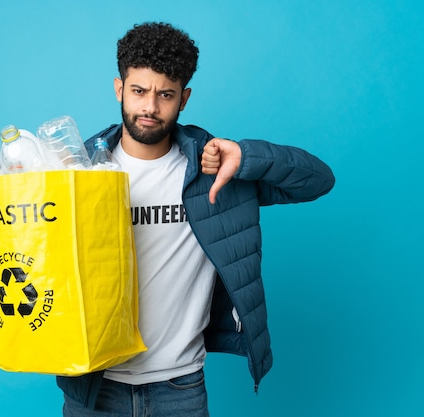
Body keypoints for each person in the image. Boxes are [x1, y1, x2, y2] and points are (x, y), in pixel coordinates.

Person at [57, 22, 335, 416]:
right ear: (119, 89)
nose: (150, 107)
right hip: (95, 386)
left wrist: (246, 156)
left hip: (180, 388)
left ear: (183, 99)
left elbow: (318, 180)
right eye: (138, 91)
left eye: (165, 95)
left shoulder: (215, 170)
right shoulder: (76, 172)